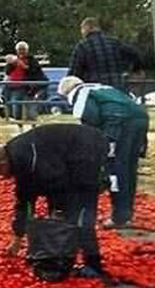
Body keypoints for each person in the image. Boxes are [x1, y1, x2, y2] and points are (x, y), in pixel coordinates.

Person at [0, 124, 109, 278]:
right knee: (62, 214)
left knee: (81, 213)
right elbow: (25, 200)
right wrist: (18, 237)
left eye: (1, 173)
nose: (4, 177)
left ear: (3, 163)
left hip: (87, 150)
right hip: (68, 158)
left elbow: (56, 183)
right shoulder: (19, 157)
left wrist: (58, 211)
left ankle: (92, 264)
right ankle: (62, 255)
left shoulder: (28, 158)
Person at [58, 76, 149, 229]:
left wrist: (100, 147)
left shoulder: (81, 95)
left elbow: (90, 122)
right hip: (139, 119)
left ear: (67, 92)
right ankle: (126, 213)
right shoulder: (100, 88)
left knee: (115, 170)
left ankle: (119, 217)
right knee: (129, 169)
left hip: (118, 124)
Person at [68, 17, 142, 92]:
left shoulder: (82, 47)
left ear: (86, 29)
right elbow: (134, 53)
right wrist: (135, 70)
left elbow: (74, 72)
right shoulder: (114, 43)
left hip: (95, 91)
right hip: (117, 88)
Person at [4, 42, 47, 123]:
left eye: (23, 49)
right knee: (16, 110)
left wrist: (24, 66)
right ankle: (19, 127)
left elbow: (35, 71)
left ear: (27, 50)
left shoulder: (32, 60)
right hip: (16, 88)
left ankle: (33, 127)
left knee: (31, 112)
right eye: (19, 49)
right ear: (16, 51)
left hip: (30, 89)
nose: (21, 51)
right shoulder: (13, 60)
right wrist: (12, 64)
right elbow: (7, 72)